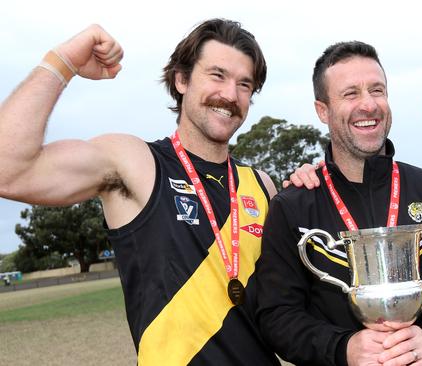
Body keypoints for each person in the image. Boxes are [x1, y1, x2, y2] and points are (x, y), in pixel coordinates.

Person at [0, 20, 282, 365]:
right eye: (217, 75)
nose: (230, 95)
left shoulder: (262, 185)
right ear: (181, 79)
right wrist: (62, 61)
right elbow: (8, 172)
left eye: (244, 84)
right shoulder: (135, 163)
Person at [255, 41, 422, 366]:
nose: (369, 105)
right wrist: (342, 348)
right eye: (351, 94)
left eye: (377, 90)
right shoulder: (293, 206)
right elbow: (277, 315)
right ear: (323, 110)